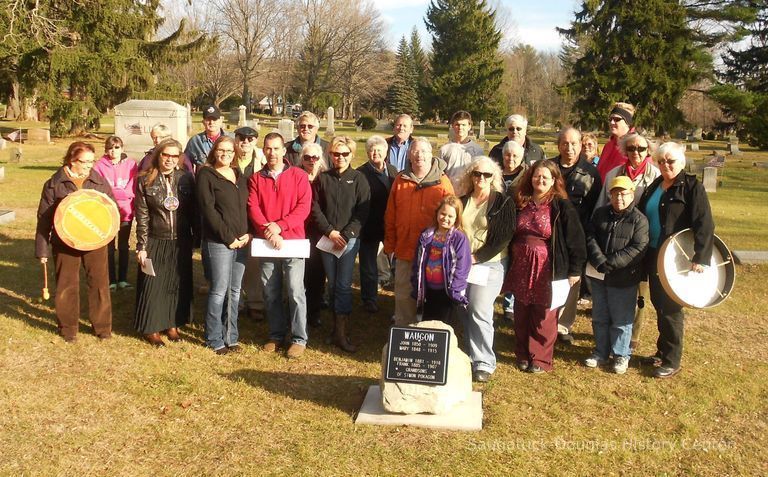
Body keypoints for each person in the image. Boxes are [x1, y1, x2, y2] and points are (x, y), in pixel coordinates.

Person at [638, 142, 714, 378]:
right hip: (652, 254)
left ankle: (672, 359)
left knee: (671, 307)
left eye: (670, 161)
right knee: (659, 303)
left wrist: (701, 257)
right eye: (661, 161)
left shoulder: (691, 187)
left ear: (681, 162)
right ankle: (662, 351)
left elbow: (704, 223)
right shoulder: (655, 186)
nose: (666, 165)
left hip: (675, 257)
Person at [502, 160, 586, 373]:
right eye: (536, 176)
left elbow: (575, 239)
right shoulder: (521, 201)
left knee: (544, 313)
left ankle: (539, 358)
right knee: (521, 310)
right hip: (521, 265)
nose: (540, 180)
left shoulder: (561, 206)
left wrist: (575, 270)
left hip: (548, 267)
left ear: (554, 181)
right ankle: (522, 353)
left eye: (545, 177)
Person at [35, 142, 116, 342]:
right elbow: (44, 219)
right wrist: (42, 250)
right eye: (85, 162)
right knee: (66, 284)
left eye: (92, 161)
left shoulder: (98, 181)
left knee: (99, 283)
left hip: (94, 240)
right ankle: (68, 328)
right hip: (65, 242)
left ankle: (102, 327)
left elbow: (111, 211)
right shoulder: (54, 184)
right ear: (72, 160)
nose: (90, 166)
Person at [594, 132, 660, 352]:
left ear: (648, 151)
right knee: (610, 291)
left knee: (640, 291)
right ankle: (609, 332)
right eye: (631, 149)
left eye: (641, 149)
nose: (636, 153)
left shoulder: (655, 175)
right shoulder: (614, 173)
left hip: (642, 239)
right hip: (614, 239)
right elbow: (602, 207)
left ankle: (633, 335)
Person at [248, 133, 312, 358]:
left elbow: (303, 207)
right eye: (268, 148)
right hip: (267, 242)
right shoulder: (257, 178)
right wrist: (269, 230)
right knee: (271, 291)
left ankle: (298, 337)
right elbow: (253, 207)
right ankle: (276, 334)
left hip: (292, 241)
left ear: (284, 151)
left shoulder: (298, 176)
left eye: (276, 148)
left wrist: (280, 227)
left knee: (295, 290)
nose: (272, 153)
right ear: (263, 151)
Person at [384, 137, 454, 326]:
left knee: (433, 295)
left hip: (434, 252)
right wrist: (390, 245)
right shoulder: (400, 180)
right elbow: (391, 214)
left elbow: (452, 217)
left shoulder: (443, 182)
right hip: (405, 249)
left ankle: (429, 334)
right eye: (415, 151)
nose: (419, 155)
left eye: (423, 151)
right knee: (404, 294)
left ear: (431, 155)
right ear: (409, 154)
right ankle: (404, 332)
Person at [134, 139, 197, 347]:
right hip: (155, 239)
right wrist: (141, 245)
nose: (169, 159)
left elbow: (193, 212)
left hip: (180, 240)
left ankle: (172, 324)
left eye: (174, 155)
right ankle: (152, 327)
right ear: (158, 155)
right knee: (153, 285)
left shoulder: (186, 179)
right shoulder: (145, 180)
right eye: (165, 155)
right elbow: (142, 216)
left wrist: (195, 238)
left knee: (175, 284)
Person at [458, 157, 516, 382]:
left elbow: (504, 236)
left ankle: (484, 361)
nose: (481, 178)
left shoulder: (503, 202)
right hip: (463, 263)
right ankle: (470, 352)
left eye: (487, 175)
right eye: (477, 174)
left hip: (490, 263)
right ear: (470, 175)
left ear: (494, 178)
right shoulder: (462, 200)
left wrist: (477, 257)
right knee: (462, 306)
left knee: (479, 308)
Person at [312, 136, 371, 352]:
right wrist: (330, 232)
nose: (340, 157)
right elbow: (315, 207)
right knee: (333, 283)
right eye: (336, 154)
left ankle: (342, 332)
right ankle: (334, 328)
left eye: (345, 154)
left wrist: (346, 235)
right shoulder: (323, 178)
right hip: (328, 238)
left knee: (344, 285)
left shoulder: (359, 179)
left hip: (349, 239)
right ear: (330, 155)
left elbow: (363, 211)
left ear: (351, 154)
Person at [584, 176, 649, 374]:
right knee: (600, 316)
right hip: (598, 274)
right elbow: (590, 237)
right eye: (615, 193)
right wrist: (599, 261)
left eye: (624, 193)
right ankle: (600, 352)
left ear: (632, 195)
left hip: (623, 277)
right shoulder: (600, 214)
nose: (619, 197)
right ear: (610, 195)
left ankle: (621, 355)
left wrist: (611, 262)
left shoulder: (639, 220)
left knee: (622, 319)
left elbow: (638, 247)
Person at [196, 136, 250, 355]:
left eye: (229, 150)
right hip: (219, 242)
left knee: (235, 291)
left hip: (242, 241)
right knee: (219, 291)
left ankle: (231, 336)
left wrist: (248, 233)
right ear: (214, 151)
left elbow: (247, 208)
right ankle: (214, 337)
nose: (226, 154)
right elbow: (209, 211)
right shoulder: (206, 175)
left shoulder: (240, 176)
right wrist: (229, 238)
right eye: (221, 150)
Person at [551, 126, 601, 344]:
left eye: (574, 144)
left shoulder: (590, 173)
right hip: (550, 233)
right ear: (558, 145)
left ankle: (563, 325)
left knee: (572, 280)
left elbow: (594, 207)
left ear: (581, 145)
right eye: (565, 143)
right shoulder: (549, 168)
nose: (569, 148)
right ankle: (546, 320)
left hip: (576, 235)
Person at [412, 195, 471, 323]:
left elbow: (462, 267)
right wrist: (416, 283)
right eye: (443, 214)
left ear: (457, 218)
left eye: (450, 216)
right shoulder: (426, 235)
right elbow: (418, 262)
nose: (445, 218)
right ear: (437, 213)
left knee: (442, 327)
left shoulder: (459, 238)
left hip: (447, 292)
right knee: (426, 323)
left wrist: (455, 290)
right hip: (427, 290)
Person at [357, 135, 398, 314]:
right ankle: (369, 298)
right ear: (367, 153)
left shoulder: (393, 170)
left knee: (397, 262)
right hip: (369, 225)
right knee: (368, 265)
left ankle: (401, 296)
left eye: (379, 150)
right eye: (372, 150)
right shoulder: (360, 173)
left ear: (386, 152)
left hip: (390, 224)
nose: (376, 153)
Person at [93, 135, 137, 291]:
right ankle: (111, 280)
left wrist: (117, 193)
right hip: (107, 211)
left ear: (122, 148)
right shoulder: (99, 166)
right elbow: (99, 188)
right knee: (109, 247)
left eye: (117, 147)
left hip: (126, 211)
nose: (113, 151)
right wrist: (117, 193)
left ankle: (123, 279)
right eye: (110, 148)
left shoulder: (131, 164)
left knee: (124, 245)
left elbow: (132, 188)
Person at [234, 126, 266, 320]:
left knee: (254, 264)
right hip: (233, 218)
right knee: (234, 263)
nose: (245, 142)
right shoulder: (227, 157)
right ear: (236, 140)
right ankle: (235, 302)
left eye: (250, 139)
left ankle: (255, 302)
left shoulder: (262, 161)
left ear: (256, 141)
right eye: (241, 138)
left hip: (255, 218)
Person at [500, 138, 529, 322]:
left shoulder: (527, 176)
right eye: (508, 155)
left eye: (515, 156)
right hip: (499, 226)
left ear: (522, 157)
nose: (511, 159)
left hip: (520, 226)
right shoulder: (495, 174)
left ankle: (510, 304)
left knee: (517, 265)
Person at [300, 142, 328, 327]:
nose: (311, 161)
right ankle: (298, 311)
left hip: (319, 233)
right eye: (307, 157)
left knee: (317, 273)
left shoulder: (325, 179)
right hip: (299, 231)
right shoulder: (295, 177)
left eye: (315, 157)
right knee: (299, 274)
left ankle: (314, 312)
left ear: (321, 160)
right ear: (301, 160)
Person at [439, 110, 484, 195]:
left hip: (470, 194)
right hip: (449, 193)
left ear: (469, 126)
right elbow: (440, 174)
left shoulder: (477, 150)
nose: (460, 127)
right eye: (457, 124)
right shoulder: (445, 149)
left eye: (463, 125)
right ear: (452, 126)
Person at [596, 102, 636, 181]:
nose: (612, 122)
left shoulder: (635, 145)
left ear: (627, 123)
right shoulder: (608, 145)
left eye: (617, 119)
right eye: (610, 119)